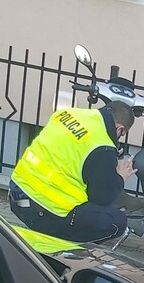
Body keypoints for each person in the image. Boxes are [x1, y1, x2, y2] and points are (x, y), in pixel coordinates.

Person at [9, 101, 137, 243]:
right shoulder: (102, 146)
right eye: (121, 134)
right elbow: (102, 198)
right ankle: (69, 251)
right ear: (119, 129)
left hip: (17, 194)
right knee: (116, 222)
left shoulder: (67, 114)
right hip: (43, 212)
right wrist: (119, 177)